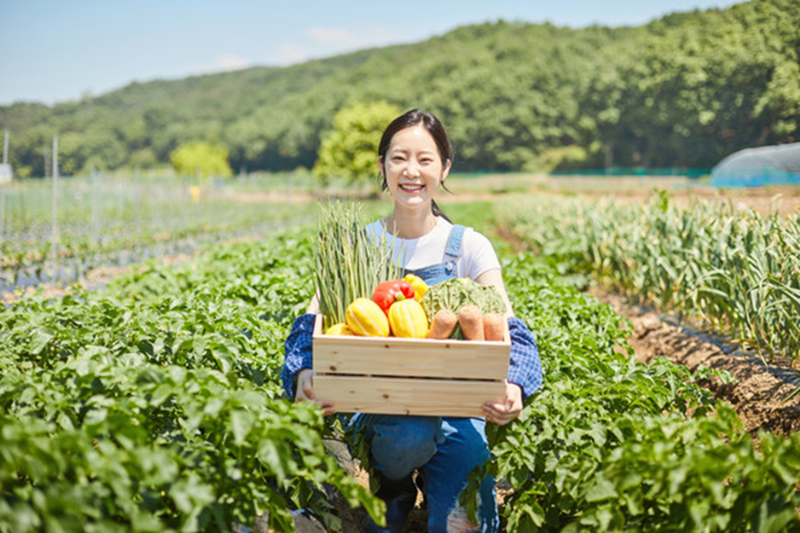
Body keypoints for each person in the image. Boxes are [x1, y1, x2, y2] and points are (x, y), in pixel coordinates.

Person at [280, 109, 542, 533]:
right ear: (382, 166)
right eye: (399, 158)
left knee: (467, 525)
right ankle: (394, 483)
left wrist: (515, 383)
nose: (411, 171)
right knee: (408, 432)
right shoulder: (358, 246)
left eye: (425, 159)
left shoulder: (469, 248)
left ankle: (432, 479)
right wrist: (304, 372)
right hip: (377, 410)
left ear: (444, 167)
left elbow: (512, 330)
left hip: (459, 412)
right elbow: (311, 322)